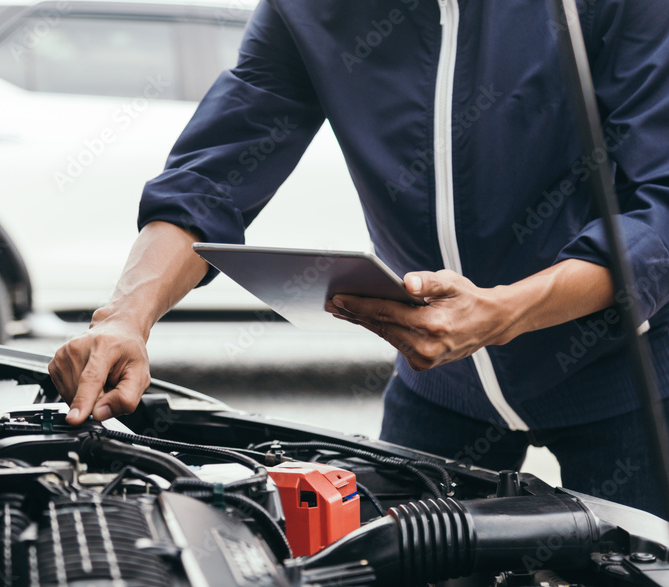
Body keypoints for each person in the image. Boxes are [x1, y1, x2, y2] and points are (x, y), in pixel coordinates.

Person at [48, 0, 669, 518]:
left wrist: (506, 312)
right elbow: (208, 182)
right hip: (441, 385)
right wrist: (125, 318)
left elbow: (660, 206)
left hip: (623, 377)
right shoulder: (309, 9)